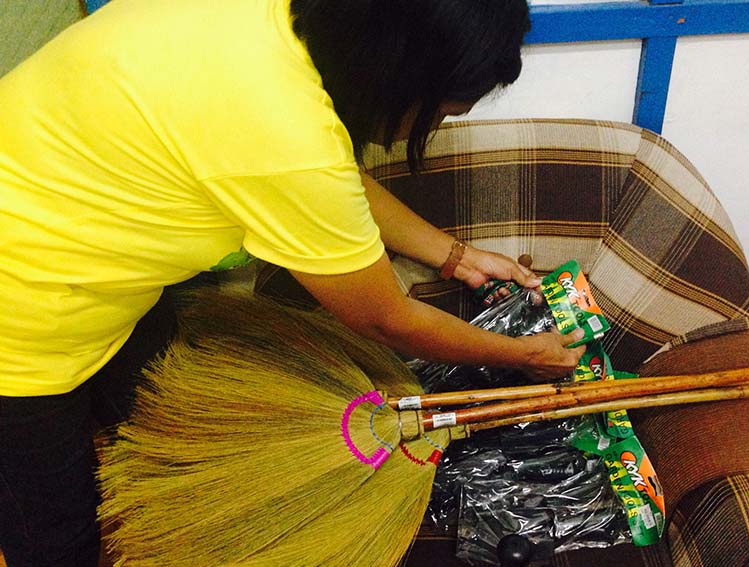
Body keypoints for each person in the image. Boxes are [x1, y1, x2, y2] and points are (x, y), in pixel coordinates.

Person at [0, 0, 586, 565]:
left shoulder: (275, 24)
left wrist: (455, 256)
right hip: (22, 323)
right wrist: (522, 354)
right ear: (395, 71)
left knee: (160, 420)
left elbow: (330, 176)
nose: (428, 125)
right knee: (55, 533)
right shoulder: (282, 130)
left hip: (91, 259)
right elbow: (387, 317)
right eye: (436, 112)